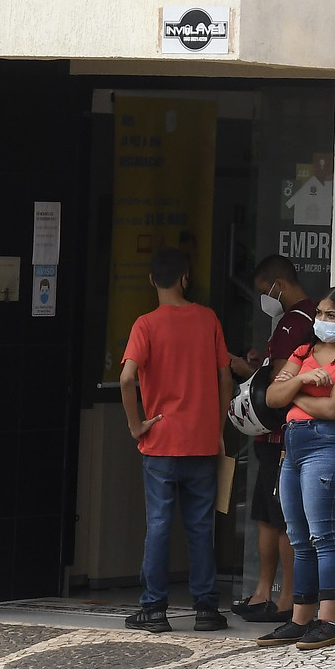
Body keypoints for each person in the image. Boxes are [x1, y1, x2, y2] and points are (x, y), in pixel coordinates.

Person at [118, 247, 235, 634]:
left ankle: (154, 609)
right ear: (186, 278)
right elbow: (224, 378)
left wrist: (136, 425)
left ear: (152, 280)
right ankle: (206, 608)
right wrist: (217, 430)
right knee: (200, 527)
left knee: (159, 525)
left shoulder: (145, 325)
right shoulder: (208, 319)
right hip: (201, 441)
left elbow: (127, 377)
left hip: (160, 442)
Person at [258, 286, 335, 651]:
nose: (322, 320)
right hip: (293, 446)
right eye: (320, 313)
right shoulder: (304, 351)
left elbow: (334, 409)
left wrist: (293, 392)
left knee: (324, 533)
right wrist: (302, 379)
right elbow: (270, 397)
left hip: (331, 443)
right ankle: (300, 620)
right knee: (298, 535)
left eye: (331, 315)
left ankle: (329, 621)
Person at [228, 255, 313, 623]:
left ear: (279, 285)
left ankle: (286, 598)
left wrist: (243, 367)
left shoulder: (295, 321)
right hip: (274, 436)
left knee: (281, 518)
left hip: (282, 434)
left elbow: (277, 383)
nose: (265, 299)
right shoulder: (298, 319)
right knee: (266, 515)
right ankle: (264, 592)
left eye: (266, 291)